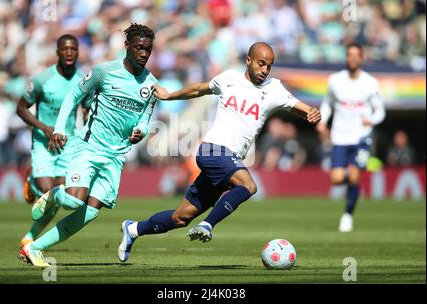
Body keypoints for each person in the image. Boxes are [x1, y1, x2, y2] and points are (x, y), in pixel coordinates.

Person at [117, 42, 321, 263]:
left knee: (181, 217)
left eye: (269, 66)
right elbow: (198, 89)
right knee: (248, 186)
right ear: (249, 61)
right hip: (212, 149)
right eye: (261, 64)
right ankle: (207, 225)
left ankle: (134, 229)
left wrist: (312, 113)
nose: (264, 70)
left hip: (227, 162)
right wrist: (169, 97)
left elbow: (302, 108)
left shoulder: (274, 88)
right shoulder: (229, 79)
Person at [21, 23, 158, 267]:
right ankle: (52, 195)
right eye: (139, 48)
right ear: (127, 46)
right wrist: (60, 128)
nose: (144, 54)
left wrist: (141, 131)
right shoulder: (104, 71)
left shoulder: (151, 84)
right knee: (74, 200)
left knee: (91, 211)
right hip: (89, 147)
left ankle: (34, 248)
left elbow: (145, 120)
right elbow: (74, 95)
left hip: (116, 156)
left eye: (148, 49)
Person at [16, 34, 91, 257]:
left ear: (78, 52)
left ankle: (29, 238)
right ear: (57, 52)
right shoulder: (42, 80)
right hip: (43, 143)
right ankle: (31, 180)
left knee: (60, 197)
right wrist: (45, 128)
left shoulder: (82, 80)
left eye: (73, 49)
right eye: (64, 49)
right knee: (47, 192)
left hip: (68, 144)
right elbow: (21, 108)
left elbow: (86, 108)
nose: (69, 53)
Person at [316, 42, 386, 233]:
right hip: (340, 136)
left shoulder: (370, 82)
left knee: (354, 175)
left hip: (361, 137)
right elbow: (328, 103)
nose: (353, 58)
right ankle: (353, 187)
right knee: (337, 179)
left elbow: (380, 111)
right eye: (350, 55)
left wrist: (370, 120)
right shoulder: (335, 80)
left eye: (356, 55)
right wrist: (323, 121)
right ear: (346, 57)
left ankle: (347, 215)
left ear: (361, 58)